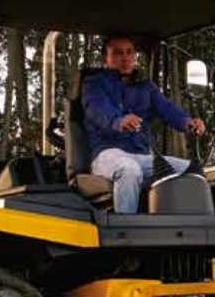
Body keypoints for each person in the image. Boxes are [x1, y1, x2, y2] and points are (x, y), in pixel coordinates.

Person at [81, 34, 207, 213]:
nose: (125, 57)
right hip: (108, 154)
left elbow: (167, 108)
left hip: (143, 156)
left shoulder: (145, 86)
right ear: (105, 58)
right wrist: (118, 121)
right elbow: (98, 109)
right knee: (129, 170)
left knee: (191, 171)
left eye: (129, 52)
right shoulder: (94, 84)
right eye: (117, 53)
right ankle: (125, 228)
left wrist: (187, 121)